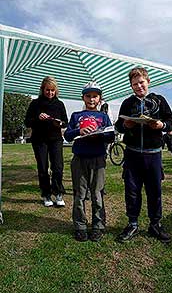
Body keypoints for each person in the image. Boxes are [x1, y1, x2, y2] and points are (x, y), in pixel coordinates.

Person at [115, 67, 172, 243]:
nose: (139, 86)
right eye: (135, 84)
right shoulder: (127, 103)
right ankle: (132, 224)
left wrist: (161, 125)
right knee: (132, 191)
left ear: (148, 81)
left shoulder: (160, 100)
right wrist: (126, 125)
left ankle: (155, 224)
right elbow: (118, 126)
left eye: (141, 82)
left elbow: (170, 122)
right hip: (132, 154)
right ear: (131, 86)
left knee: (154, 191)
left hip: (153, 154)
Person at [64, 81, 114, 242]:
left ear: (100, 99)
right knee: (79, 194)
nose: (91, 99)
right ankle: (80, 226)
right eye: (88, 96)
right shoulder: (76, 115)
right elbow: (67, 135)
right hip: (79, 159)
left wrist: (99, 134)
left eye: (95, 96)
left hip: (98, 159)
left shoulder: (104, 117)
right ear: (83, 97)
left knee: (97, 194)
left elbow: (111, 135)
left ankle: (98, 226)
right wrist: (79, 130)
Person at [25, 76, 68, 207]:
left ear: (56, 91)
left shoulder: (59, 104)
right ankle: (46, 194)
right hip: (39, 140)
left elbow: (65, 123)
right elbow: (27, 122)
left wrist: (59, 123)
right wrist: (38, 118)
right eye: (47, 90)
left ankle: (58, 193)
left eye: (52, 90)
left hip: (55, 139)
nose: (50, 93)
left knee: (58, 167)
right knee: (43, 168)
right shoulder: (35, 104)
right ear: (42, 89)